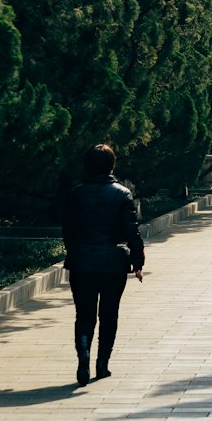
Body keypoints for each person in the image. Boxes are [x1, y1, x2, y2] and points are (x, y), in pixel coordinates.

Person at [62, 143, 144, 385]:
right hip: (113, 264)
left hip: (81, 263)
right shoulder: (122, 193)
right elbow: (132, 232)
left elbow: (68, 230)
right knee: (109, 314)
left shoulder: (76, 193)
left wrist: (75, 252)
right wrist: (137, 261)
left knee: (84, 315)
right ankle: (102, 364)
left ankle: (83, 357)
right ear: (111, 165)